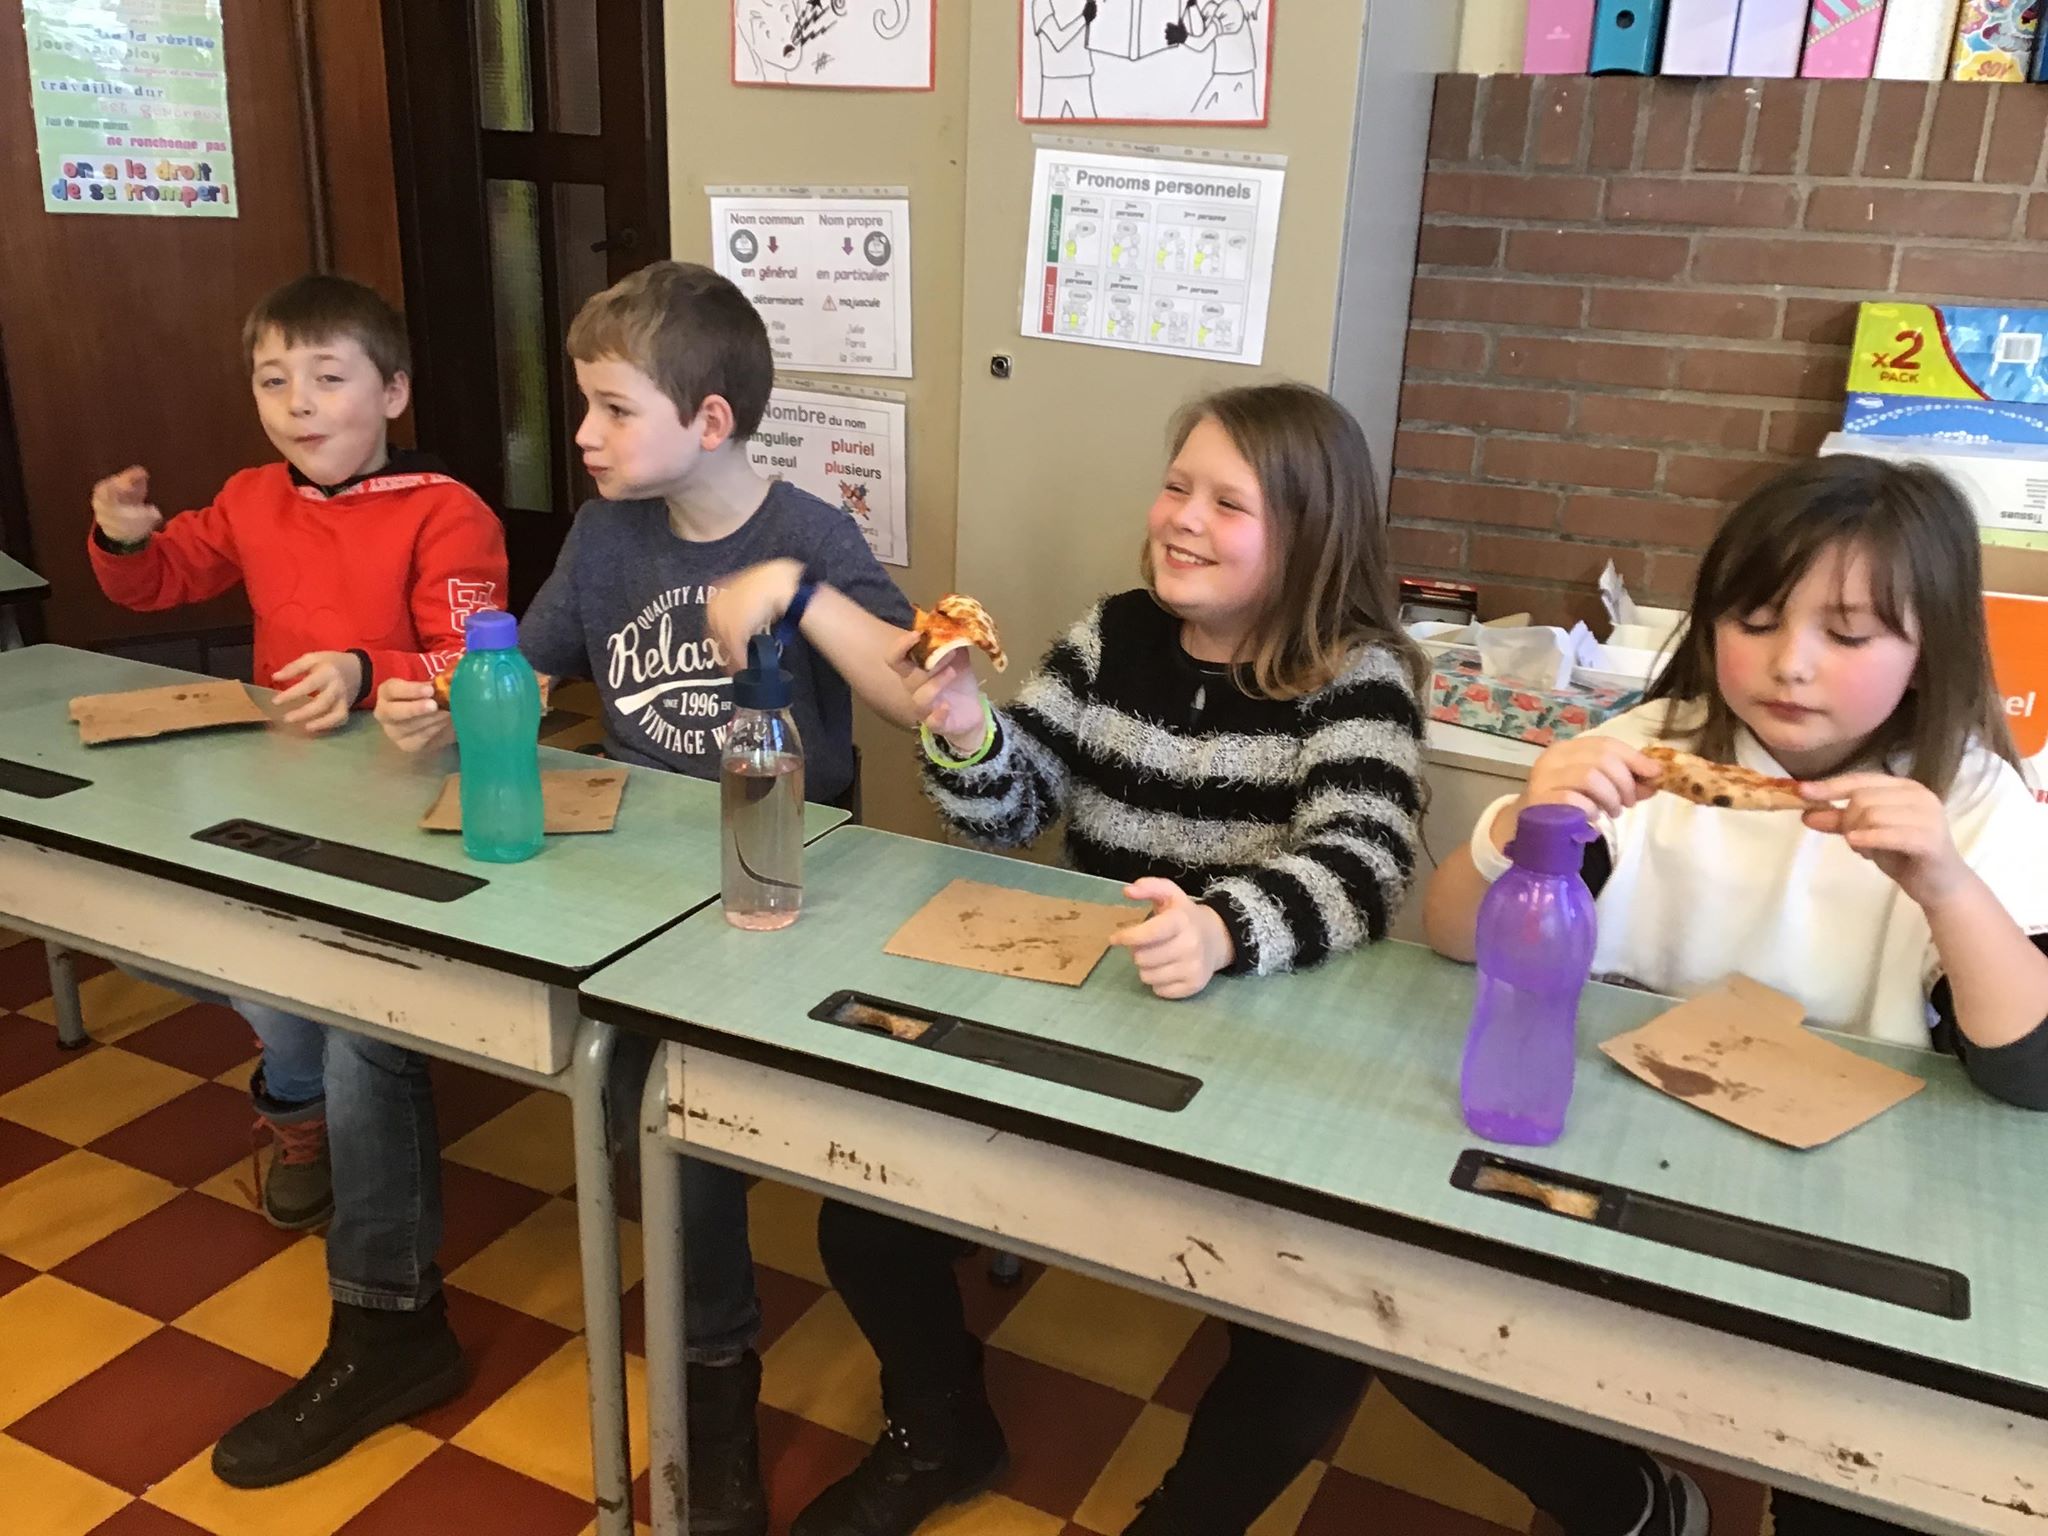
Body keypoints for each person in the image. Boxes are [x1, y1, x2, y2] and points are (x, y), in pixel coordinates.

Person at [210, 263, 913, 1525]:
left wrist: (801, 602)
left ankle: (711, 1397)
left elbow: (916, 690)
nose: (581, 435)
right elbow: (523, 672)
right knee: (374, 1010)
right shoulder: (604, 536)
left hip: (766, 886)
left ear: (708, 420)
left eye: (610, 409)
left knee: (666, 1095)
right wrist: (443, 709)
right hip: (615, 875)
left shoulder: (807, 537)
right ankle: (385, 1327)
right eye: (584, 406)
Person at [743, 382, 1429, 1536]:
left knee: (1311, 1320)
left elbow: (1363, 863)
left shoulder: (1353, 677)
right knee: (862, 1208)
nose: (1183, 519)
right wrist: (964, 728)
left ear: (1312, 535)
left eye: (1228, 504)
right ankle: (941, 1428)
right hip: (1086, 1011)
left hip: (1256, 1055)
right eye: (1175, 487)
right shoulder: (1112, 634)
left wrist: (1218, 928)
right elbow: (1010, 814)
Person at [1404, 454, 2048, 1536]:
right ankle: (1626, 1499)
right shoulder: (1636, 759)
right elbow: (1450, 940)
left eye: (1848, 635)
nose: (1790, 664)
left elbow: (2028, 1073)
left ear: (1926, 648)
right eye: (1755, 620)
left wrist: (1945, 884)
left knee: (1864, 1476)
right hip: (1622, 1152)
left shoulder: (1974, 802)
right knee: (1416, 1307)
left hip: (1855, 1207)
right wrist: (1523, 826)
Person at [85, 273, 506, 1232]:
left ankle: (306, 1100)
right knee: (235, 955)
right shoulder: (250, 496)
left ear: (392, 393)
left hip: (407, 778)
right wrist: (122, 538)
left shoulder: (447, 511)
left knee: (310, 969)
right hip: (282, 776)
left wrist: (366, 670)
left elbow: (473, 662)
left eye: (327, 378)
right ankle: (306, 1093)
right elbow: (160, 581)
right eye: (273, 382)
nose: (299, 404)